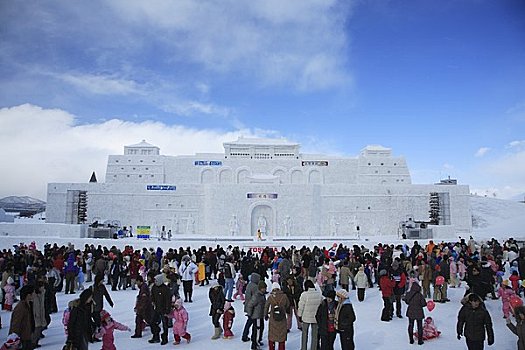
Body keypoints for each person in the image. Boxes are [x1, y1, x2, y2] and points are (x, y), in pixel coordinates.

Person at [297, 280, 322, 350]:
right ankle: (313, 348)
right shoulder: (319, 294)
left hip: (306, 317)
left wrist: (299, 315)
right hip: (315, 317)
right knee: (315, 335)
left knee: (304, 334)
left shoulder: (304, 294)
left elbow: (301, 306)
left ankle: (303, 348)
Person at [9, 285, 35, 350]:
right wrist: (15, 340)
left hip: (27, 337)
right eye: (33, 293)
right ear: (28, 295)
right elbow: (15, 324)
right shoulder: (21, 307)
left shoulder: (28, 305)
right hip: (22, 339)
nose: (34, 295)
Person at [265, 282, 290, 350]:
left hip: (273, 318)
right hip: (282, 318)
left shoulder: (270, 297)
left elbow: (266, 307)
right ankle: (281, 348)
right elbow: (288, 305)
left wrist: (266, 315)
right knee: (281, 335)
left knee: (272, 335)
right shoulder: (284, 296)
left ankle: (271, 348)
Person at [150, 274, 171, 345]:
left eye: (156, 280)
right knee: (152, 322)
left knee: (165, 325)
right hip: (156, 309)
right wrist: (152, 301)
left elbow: (168, 300)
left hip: (164, 310)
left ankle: (164, 338)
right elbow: (152, 295)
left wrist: (168, 310)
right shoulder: (154, 287)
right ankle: (156, 336)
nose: (155, 282)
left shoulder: (165, 289)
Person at [92, 274, 114, 341]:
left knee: (98, 323)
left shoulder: (102, 287)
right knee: (97, 322)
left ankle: (96, 335)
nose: (103, 281)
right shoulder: (92, 287)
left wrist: (110, 302)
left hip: (100, 307)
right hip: (93, 308)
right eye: (102, 280)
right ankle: (94, 336)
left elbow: (106, 295)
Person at [246, 281, 267, 350]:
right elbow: (250, 305)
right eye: (263, 288)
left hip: (260, 316)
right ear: (260, 288)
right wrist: (250, 314)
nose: (265, 289)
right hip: (256, 316)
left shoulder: (262, 295)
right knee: (256, 330)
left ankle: (258, 341)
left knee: (261, 329)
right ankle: (254, 345)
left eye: (265, 288)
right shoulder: (257, 296)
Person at [242, 272, 261, 342]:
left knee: (249, 321)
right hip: (253, 307)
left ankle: (245, 335)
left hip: (248, 306)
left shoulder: (249, 285)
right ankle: (254, 339)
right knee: (254, 324)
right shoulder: (255, 287)